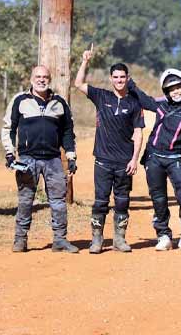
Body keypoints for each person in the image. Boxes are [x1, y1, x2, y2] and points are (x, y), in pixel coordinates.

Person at [73, 48, 145, 253]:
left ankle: (119, 239)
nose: (119, 80)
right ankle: (96, 240)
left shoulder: (134, 103)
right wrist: (85, 61)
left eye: (123, 77)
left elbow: (139, 132)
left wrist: (134, 159)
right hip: (103, 160)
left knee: (122, 201)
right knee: (101, 201)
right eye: (116, 77)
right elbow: (78, 84)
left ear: (127, 78)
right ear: (111, 79)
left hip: (124, 162)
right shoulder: (101, 96)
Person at [0, 65, 78, 253]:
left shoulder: (59, 103)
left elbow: (68, 132)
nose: (41, 80)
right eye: (38, 76)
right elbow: (8, 128)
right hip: (27, 160)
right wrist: (10, 153)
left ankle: (60, 240)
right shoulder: (20, 100)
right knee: (26, 200)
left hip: (53, 160)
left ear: (49, 79)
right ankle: (20, 240)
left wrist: (71, 156)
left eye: (45, 77)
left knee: (58, 201)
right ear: (31, 78)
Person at [131, 69, 181, 252]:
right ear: (166, 92)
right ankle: (163, 235)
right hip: (154, 158)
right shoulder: (161, 105)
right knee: (159, 199)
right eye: (171, 89)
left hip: (175, 159)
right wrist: (130, 85)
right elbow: (144, 99)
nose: (176, 91)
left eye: (179, 87)